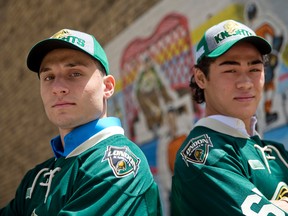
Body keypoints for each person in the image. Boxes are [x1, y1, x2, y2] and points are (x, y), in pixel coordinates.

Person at [0, 29, 162, 215]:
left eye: (74, 73)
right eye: (48, 77)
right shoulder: (36, 177)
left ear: (107, 87)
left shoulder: (117, 166)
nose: (58, 88)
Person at [171, 19, 288, 215]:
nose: (245, 83)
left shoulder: (276, 152)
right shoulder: (203, 155)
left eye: (254, 69)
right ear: (201, 78)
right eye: (230, 70)